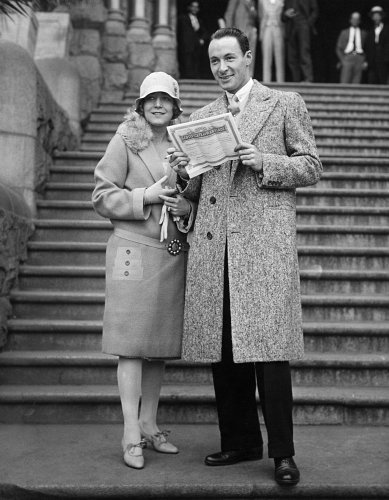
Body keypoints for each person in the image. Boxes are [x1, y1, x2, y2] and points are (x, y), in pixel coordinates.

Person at [168, 27, 322, 487]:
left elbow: (311, 164)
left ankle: (283, 454)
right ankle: (240, 441)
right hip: (216, 245)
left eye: (229, 58)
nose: (222, 68)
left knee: (270, 354)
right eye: (215, 61)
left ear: (248, 58)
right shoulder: (201, 116)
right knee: (226, 351)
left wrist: (265, 162)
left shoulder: (284, 103)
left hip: (263, 245)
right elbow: (196, 187)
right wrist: (182, 173)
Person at [92, 72, 194, 470]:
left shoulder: (184, 144)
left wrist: (186, 207)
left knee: (158, 349)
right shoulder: (124, 139)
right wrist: (144, 196)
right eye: (150, 99)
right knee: (131, 345)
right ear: (140, 105)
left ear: (175, 106)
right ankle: (130, 430)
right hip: (133, 251)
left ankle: (150, 423)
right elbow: (101, 194)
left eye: (165, 99)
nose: (157, 105)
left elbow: (193, 195)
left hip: (170, 252)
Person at [282, 0, 318, 82]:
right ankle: (296, 80)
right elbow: (282, 17)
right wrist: (285, 14)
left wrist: (308, 24)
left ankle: (308, 79)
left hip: (303, 25)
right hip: (291, 27)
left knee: (304, 53)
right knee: (292, 56)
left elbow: (315, 11)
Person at [224, 0, 258, 76]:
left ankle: (249, 79)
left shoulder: (252, 1)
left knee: (250, 58)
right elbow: (229, 14)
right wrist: (229, 33)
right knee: (237, 57)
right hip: (239, 31)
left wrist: (252, 9)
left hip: (251, 31)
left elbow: (255, 16)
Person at [177, 0, 207, 79]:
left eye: (196, 7)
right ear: (189, 7)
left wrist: (202, 39)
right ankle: (188, 78)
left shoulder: (199, 20)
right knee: (187, 62)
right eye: (193, 6)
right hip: (186, 44)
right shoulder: (182, 18)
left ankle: (195, 78)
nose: (195, 9)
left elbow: (203, 31)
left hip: (196, 45)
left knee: (196, 62)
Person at [336, 12, 367, 84]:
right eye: (353, 19)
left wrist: (365, 60)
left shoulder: (364, 33)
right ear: (350, 20)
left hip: (359, 58)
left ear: (359, 21)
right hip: (347, 57)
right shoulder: (344, 32)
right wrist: (342, 60)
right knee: (345, 81)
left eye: (357, 19)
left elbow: (367, 48)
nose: (355, 21)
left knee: (357, 81)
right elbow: (338, 48)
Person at [258, 0, 285, 82]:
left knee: (279, 57)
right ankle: (266, 81)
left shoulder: (281, 1)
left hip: (278, 28)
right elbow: (260, 16)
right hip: (266, 28)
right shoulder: (261, 1)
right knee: (266, 56)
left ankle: (281, 82)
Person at [365, 5, 389, 85]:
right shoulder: (370, 31)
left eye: (378, 15)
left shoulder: (387, 29)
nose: (376, 18)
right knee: (372, 79)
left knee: (383, 78)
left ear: (381, 16)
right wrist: (367, 60)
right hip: (373, 59)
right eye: (374, 16)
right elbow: (367, 46)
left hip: (384, 59)